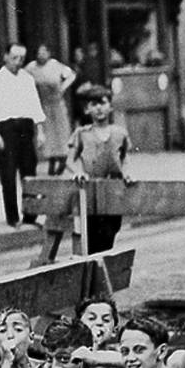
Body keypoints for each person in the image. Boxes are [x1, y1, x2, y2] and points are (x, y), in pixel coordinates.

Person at [0, 42, 46, 228]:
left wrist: (40, 131)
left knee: (29, 172)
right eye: (14, 57)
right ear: (5, 56)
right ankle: (12, 217)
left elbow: (35, 105)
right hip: (6, 129)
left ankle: (31, 215)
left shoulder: (27, 79)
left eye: (21, 59)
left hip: (25, 128)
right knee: (8, 174)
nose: (18, 62)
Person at [66, 86, 134, 254]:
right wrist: (79, 171)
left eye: (103, 103)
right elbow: (70, 160)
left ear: (110, 106)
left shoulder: (119, 133)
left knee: (109, 232)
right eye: (94, 104)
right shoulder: (82, 134)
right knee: (91, 237)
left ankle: (101, 268)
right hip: (90, 193)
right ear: (87, 109)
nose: (99, 108)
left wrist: (126, 172)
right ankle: (95, 272)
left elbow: (124, 157)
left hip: (113, 191)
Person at [27, 43, 76, 176]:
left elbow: (71, 75)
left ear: (49, 53)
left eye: (44, 52)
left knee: (60, 132)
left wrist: (64, 87)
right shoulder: (31, 67)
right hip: (43, 104)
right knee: (48, 134)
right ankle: (51, 162)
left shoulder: (55, 65)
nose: (41, 55)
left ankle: (63, 160)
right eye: (39, 52)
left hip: (57, 103)